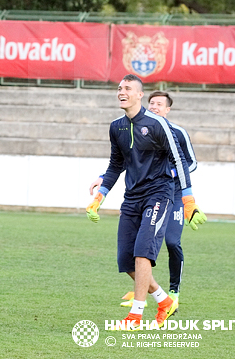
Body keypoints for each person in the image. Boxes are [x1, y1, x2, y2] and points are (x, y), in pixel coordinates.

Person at [86, 75, 207, 330]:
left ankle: (135, 317)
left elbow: (181, 161)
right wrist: (102, 193)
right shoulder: (116, 127)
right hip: (132, 197)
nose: (122, 91)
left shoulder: (158, 124)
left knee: (143, 252)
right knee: (125, 260)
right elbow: (116, 165)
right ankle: (164, 300)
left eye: (128, 88)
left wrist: (188, 200)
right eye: (119, 88)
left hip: (159, 195)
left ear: (139, 94)